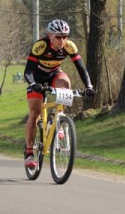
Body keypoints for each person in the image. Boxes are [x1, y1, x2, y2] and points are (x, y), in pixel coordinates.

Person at [23, 19, 95, 168]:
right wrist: (32, 84)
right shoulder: (40, 46)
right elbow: (28, 70)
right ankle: (29, 153)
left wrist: (89, 86)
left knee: (66, 84)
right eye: (58, 37)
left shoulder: (69, 46)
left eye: (65, 36)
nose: (62, 40)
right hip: (36, 77)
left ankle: (58, 121)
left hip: (54, 74)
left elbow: (81, 68)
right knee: (35, 112)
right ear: (50, 36)